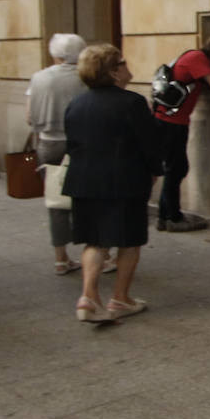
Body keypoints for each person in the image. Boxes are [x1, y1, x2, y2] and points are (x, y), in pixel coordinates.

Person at [63, 44, 161, 322]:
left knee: (95, 241)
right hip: (124, 181)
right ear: (113, 71)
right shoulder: (131, 103)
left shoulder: (76, 103)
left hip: (84, 181)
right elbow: (148, 143)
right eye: (123, 62)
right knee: (129, 242)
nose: (127, 66)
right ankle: (120, 298)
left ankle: (88, 296)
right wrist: (155, 169)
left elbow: (71, 144)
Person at [26, 33, 88, 275]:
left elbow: (29, 117)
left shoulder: (39, 77)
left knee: (56, 201)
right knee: (87, 199)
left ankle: (61, 258)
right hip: (81, 144)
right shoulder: (85, 78)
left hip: (48, 144)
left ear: (55, 54)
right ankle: (96, 255)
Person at [155, 35, 210, 232]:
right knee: (175, 169)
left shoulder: (191, 56)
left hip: (170, 120)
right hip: (172, 122)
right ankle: (173, 218)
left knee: (174, 169)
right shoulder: (198, 59)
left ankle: (164, 216)